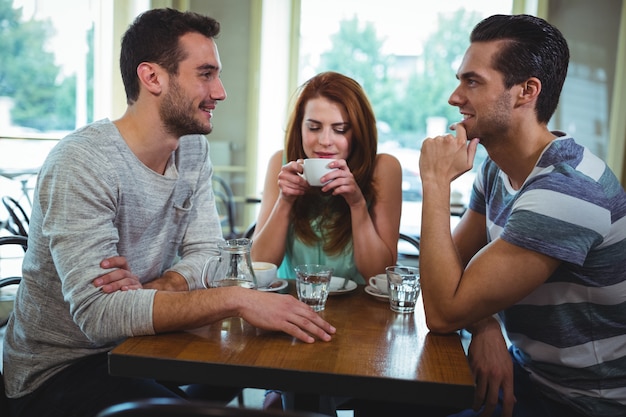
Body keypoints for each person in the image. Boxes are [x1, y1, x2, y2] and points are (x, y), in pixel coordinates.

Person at [2, 8, 335, 417]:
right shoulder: (82, 162)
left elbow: (209, 255)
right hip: (59, 372)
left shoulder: (192, 149)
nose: (221, 91)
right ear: (153, 77)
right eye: (206, 74)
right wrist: (235, 300)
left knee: (254, 364)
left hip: (144, 345)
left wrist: (157, 287)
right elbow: (99, 316)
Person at [418, 14, 626, 417]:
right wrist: (486, 324)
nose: (454, 97)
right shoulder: (497, 169)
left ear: (526, 91)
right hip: (530, 376)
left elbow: (443, 312)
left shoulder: (568, 191)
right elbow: (453, 277)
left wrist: (435, 184)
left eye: (472, 81)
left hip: (588, 403)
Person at [250, 71, 402, 412]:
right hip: (293, 319)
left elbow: (380, 274)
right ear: (299, 127)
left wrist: (356, 203)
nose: (324, 142)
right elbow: (260, 266)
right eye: (314, 127)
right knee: (296, 396)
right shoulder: (282, 163)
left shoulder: (383, 169)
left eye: (340, 129)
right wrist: (286, 200)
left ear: (358, 132)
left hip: (363, 325)